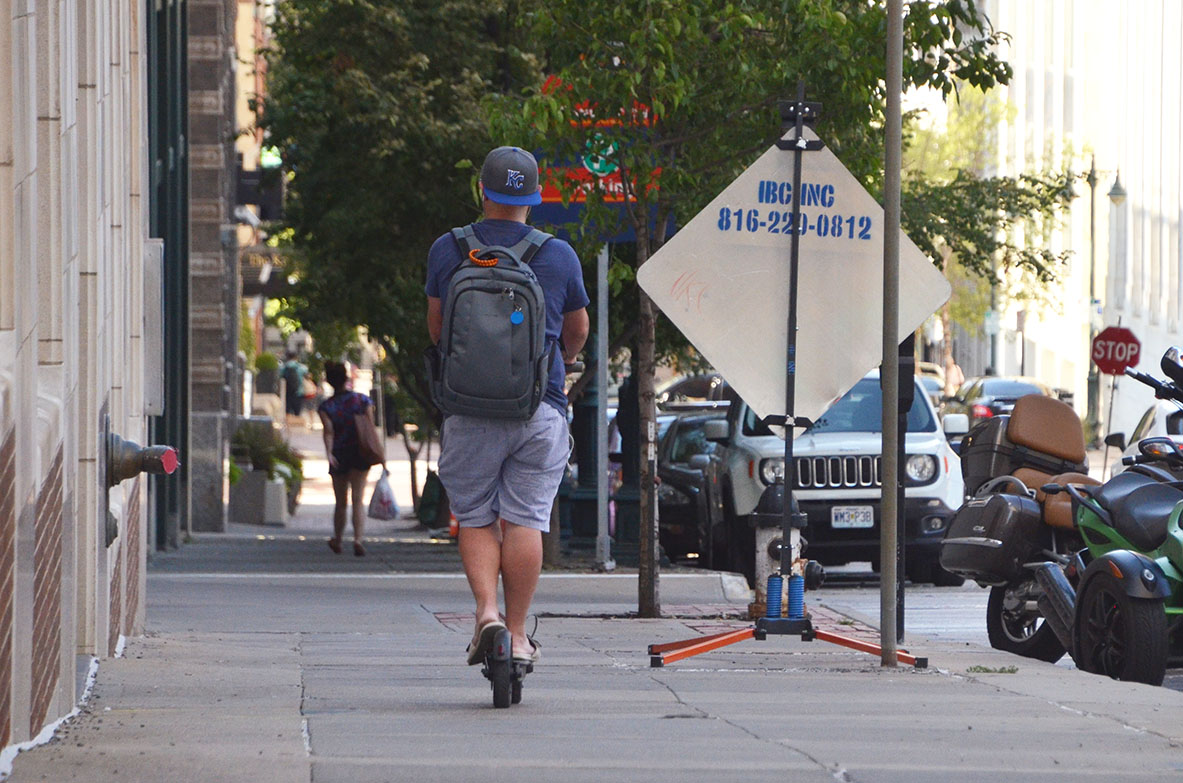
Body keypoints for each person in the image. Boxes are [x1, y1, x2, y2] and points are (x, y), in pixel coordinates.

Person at [425, 146, 589, 667]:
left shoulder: (447, 250)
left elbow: (437, 330)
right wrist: (551, 362)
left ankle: (487, 615)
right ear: (535, 198)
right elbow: (577, 331)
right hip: (538, 410)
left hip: (469, 409)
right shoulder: (559, 256)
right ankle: (518, 637)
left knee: (475, 517)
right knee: (525, 520)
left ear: (482, 191)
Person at [317, 361, 375, 557]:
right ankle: (358, 540)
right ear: (347, 378)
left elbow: (328, 432)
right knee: (358, 499)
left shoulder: (326, 406)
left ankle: (338, 539)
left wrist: (329, 453)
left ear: (329, 381)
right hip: (360, 452)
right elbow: (370, 429)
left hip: (340, 454)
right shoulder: (363, 401)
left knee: (340, 501)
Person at [281, 352, 307, 422]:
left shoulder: (284, 367)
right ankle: (297, 426)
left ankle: (288, 427)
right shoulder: (301, 367)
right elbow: (306, 373)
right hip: (299, 391)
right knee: (297, 411)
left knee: (288, 410)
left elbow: (280, 376)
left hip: (288, 392)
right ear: (296, 358)